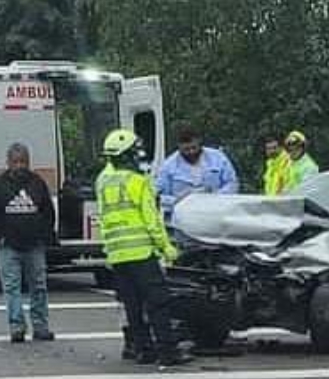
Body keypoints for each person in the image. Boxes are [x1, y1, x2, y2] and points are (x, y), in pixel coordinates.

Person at [98, 129, 192, 366]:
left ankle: (142, 350)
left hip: (118, 255)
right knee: (158, 302)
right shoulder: (138, 182)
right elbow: (152, 221)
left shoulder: (103, 182)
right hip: (141, 252)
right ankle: (168, 352)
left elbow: (104, 219)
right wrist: (166, 248)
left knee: (133, 304)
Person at [0, 143, 55, 343]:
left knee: (39, 286)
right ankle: (16, 327)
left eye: (23, 161)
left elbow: (47, 211)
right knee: (12, 288)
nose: (19, 166)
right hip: (8, 246)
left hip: (34, 245)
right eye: (15, 162)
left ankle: (41, 326)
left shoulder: (37, 183)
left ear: (29, 162)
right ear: (8, 163)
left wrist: (45, 236)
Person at [154, 126, 239, 221]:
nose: (191, 152)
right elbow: (158, 197)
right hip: (184, 220)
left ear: (199, 142)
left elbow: (232, 183)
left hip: (216, 216)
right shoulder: (168, 166)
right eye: (186, 149)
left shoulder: (218, 157)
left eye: (194, 148)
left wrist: (215, 197)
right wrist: (181, 200)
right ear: (179, 147)